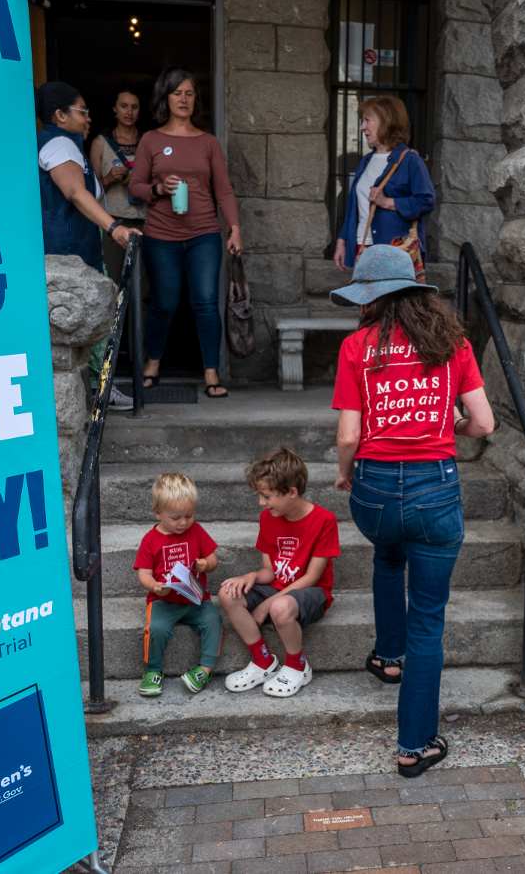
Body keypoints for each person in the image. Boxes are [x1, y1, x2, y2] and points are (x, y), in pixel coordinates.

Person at [329, 245, 496, 778]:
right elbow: (485, 424)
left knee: (387, 553)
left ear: (369, 299)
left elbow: (349, 434)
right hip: (435, 489)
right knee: (429, 619)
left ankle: (387, 657)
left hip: (374, 490)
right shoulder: (454, 345)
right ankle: (415, 744)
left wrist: (345, 473)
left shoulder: (356, 346)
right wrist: (449, 429)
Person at [127, 68, 241, 398]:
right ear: (165, 98)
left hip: (204, 233)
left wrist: (235, 229)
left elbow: (224, 191)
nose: (184, 99)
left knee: (205, 302)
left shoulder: (208, 143)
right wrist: (159, 188)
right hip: (161, 234)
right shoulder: (151, 140)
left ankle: (210, 371)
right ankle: (152, 362)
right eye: (177, 93)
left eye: (189, 93)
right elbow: (135, 186)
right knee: (164, 302)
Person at [37, 81, 138, 408]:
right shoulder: (60, 145)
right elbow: (75, 193)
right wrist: (114, 227)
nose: (88, 117)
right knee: (93, 321)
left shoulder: (67, 144)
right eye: (82, 111)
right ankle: (100, 388)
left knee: (96, 319)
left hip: (77, 247)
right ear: (59, 115)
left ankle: (99, 386)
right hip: (70, 250)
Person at [217, 448, 340, 698]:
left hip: (310, 593)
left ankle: (297, 665)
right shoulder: (269, 517)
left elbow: (311, 578)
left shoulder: (324, 520)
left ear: (292, 492)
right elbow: (270, 572)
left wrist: (267, 603)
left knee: (279, 608)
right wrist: (250, 577)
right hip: (278, 588)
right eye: (260, 496)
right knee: (228, 593)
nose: (262, 503)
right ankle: (262, 660)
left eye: (267, 496)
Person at [132, 473, 222, 697]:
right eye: (175, 517)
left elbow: (213, 559)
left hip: (195, 598)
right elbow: (143, 574)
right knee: (156, 629)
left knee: (214, 621)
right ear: (158, 513)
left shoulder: (196, 530)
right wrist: (154, 586)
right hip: (164, 600)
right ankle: (153, 670)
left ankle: (204, 669)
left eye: (188, 516)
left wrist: (205, 564)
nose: (183, 522)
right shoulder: (150, 540)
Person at [331, 96, 435, 275]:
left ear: (386, 121)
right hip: (362, 246)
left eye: (367, 120)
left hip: (394, 250)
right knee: (367, 302)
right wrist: (342, 241)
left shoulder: (410, 160)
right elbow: (353, 208)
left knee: (389, 303)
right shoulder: (365, 161)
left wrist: (387, 202)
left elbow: (426, 201)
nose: (362, 127)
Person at [90, 86, 147, 281]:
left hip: (146, 220)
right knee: (114, 282)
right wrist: (110, 178)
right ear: (114, 109)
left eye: (134, 107)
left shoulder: (149, 141)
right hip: (113, 222)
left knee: (146, 285)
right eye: (124, 106)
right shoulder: (101, 142)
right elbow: (92, 191)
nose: (129, 112)